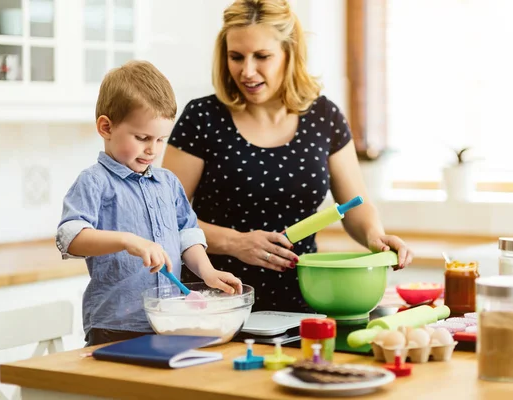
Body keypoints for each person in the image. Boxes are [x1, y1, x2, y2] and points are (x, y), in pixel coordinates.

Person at [162, 0, 413, 313]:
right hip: (218, 304)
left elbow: (356, 207)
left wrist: (376, 237)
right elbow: (164, 220)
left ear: (289, 53)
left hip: (307, 301)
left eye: (262, 56)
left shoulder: (324, 116)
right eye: (236, 57)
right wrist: (235, 242)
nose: (247, 71)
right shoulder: (202, 118)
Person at [56, 61, 242, 346]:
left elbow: (187, 234)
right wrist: (127, 240)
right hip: (114, 325)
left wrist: (207, 272)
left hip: (167, 321)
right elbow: (71, 238)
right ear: (106, 127)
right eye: (142, 138)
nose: (152, 150)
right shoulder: (94, 182)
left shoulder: (168, 183)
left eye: (160, 139)